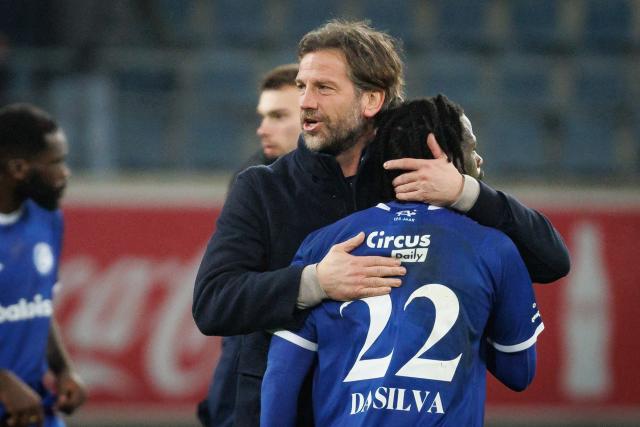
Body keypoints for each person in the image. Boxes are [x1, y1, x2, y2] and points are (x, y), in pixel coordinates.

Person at [192, 20, 569, 426]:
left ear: (371, 100)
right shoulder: (263, 188)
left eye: (324, 88)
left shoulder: (416, 182)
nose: (305, 101)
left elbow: (551, 260)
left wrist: (467, 192)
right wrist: (315, 281)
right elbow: (213, 302)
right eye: (302, 86)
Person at [261, 95, 543, 426]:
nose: (478, 159)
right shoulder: (494, 248)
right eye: (471, 147)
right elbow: (519, 372)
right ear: (446, 155)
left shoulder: (327, 244)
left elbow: (281, 377)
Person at [198, 63, 301, 427]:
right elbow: (221, 298)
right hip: (251, 361)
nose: (262, 128)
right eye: (263, 115)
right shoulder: (252, 182)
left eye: (277, 115)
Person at [0, 103, 86, 427]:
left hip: (34, 413)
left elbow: (38, 305)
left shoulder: (48, 218)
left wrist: (63, 369)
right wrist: (2, 382)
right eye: (56, 162)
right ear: (19, 168)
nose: (65, 173)